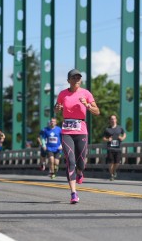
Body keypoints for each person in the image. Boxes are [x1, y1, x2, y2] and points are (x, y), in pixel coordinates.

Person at [55, 69, 100, 204]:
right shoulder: (63, 94)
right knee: (71, 161)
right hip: (67, 131)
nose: (77, 80)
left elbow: (97, 111)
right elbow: (56, 108)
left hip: (81, 130)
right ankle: (73, 193)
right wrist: (57, 108)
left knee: (81, 162)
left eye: (79, 78)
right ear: (68, 80)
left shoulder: (86, 93)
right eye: (74, 78)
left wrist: (87, 105)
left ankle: (80, 172)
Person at [102, 114, 126, 181]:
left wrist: (122, 138)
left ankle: (114, 171)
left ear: (116, 120)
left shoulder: (120, 128)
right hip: (110, 148)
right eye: (112, 119)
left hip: (118, 148)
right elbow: (103, 138)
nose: (113, 120)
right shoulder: (107, 129)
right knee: (111, 162)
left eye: (114, 119)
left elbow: (124, 134)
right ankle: (112, 175)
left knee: (117, 163)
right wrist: (107, 140)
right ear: (109, 120)